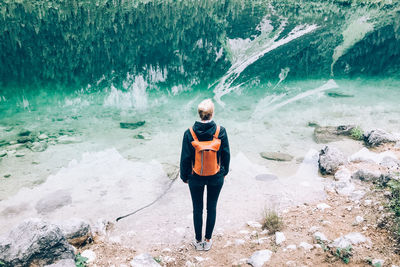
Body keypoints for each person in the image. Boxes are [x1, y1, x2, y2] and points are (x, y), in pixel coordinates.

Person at [180, 99, 230, 251]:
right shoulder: (220, 131)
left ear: (199, 114)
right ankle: (207, 241)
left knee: (197, 209)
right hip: (216, 176)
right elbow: (226, 155)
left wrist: (185, 177)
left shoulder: (189, 133)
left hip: (195, 177)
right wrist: (224, 172)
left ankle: (197, 241)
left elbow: (185, 158)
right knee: (211, 208)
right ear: (212, 113)